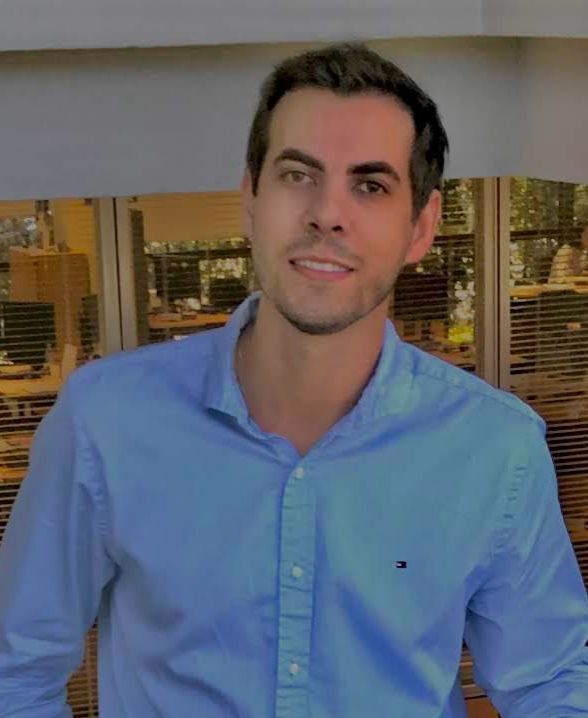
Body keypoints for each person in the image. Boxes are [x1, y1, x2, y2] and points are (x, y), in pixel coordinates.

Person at [1, 43, 587, 718]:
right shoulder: (105, 420)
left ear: (421, 228)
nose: (326, 213)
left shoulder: (497, 447)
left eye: (370, 185)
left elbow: (551, 684)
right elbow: (16, 673)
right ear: (251, 198)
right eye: (297, 174)